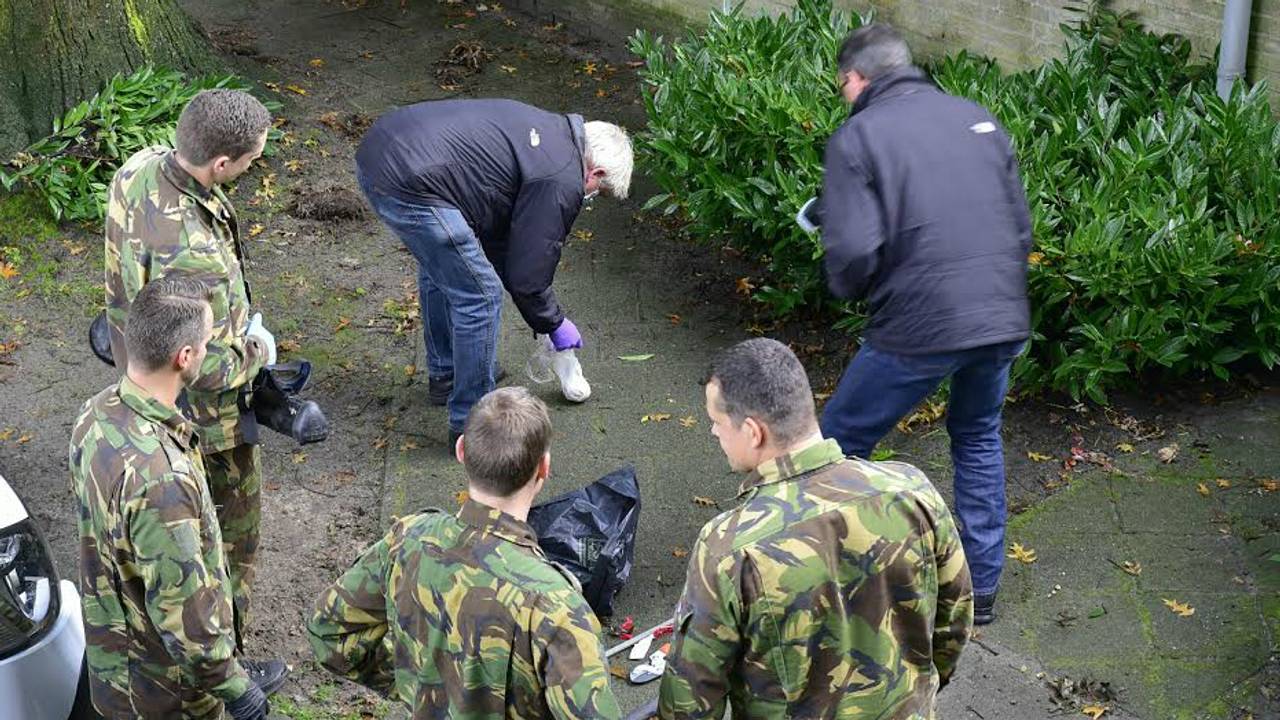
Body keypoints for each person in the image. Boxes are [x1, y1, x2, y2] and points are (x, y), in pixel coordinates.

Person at [816, 24, 1032, 625]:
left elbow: (855, 253)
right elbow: (1020, 227)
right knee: (978, 434)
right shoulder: (975, 117)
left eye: (842, 86)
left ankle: (825, 578)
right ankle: (980, 592)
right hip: (1001, 314)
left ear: (856, 79)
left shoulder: (859, 136)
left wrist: (854, 290)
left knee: (834, 447)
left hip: (920, 322)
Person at [659, 338, 972, 719]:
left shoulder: (728, 547)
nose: (713, 432)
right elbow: (953, 623)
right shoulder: (912, 490)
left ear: (754, 432)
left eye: (717, 422)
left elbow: (690, 698)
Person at [306, 386, 621, 719]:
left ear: (461, 451)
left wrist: (423, 689)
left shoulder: (408, 538)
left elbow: (328, 631)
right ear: (544, 467)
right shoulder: (557, 607)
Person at [103, 88, 279, 650]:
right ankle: (227, 658)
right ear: (220, 162)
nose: (254, 167)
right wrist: (258, 352)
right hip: (204, 419)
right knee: (228, 542)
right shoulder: (193, 251)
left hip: (136, 373)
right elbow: (196, 364)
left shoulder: (137, 170)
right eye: (251, 160)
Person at [354, 99, 633, 447]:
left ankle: (448, 373)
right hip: (410, 181)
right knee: (481, 294)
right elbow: (528, 275)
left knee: (446, 268)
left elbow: (504, 242)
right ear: (598, 173)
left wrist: (543, 318)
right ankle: (472, 427)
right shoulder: (562, 178)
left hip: (381, 151)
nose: (589, 197)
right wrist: (553, 322)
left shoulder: (550, 130)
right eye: (598, 193)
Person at [69, 278, 284, 720]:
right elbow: (185, 620)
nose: (208, 350)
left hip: (114, 666)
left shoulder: (95, 413)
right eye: (207, 343)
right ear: (184, 357)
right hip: (163, 694)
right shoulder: (163, 481)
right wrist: (239, 691)